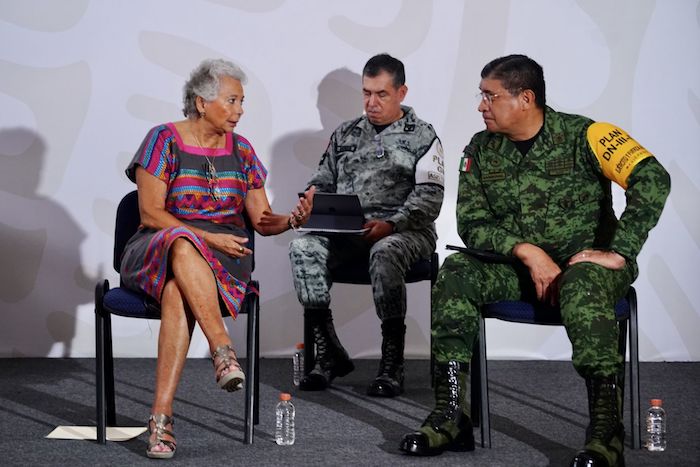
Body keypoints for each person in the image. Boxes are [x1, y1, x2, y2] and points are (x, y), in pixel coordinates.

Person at [399, 54, 670, 466]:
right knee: (455, 273)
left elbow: (653, 178)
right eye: (481, 95)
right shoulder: (480, 148)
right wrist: (528, 252)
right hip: (516, 270)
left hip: (587, 271)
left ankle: (605, 429)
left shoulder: (589, 135)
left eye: (490, 96)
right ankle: (452, 412)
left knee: (581, 281)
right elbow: (472, 223)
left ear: (525, 98)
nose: (480, 105)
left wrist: (620, 251)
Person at [120, 58, 314, 459]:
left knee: (179, 289)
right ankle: (223, 350)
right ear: (201, 102)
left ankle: (160, 420)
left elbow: (261, 220)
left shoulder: (241, 150)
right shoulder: (163, 140)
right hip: (157, 246)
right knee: (181, 242)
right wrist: (208, 237)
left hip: (224, 257)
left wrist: (293, 219)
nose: (240, 110)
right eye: (232, 100)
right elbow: (151, 214)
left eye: (242, 102)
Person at [289, 53, 444, 397]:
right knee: (303, 246)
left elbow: (430, 198)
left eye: (381, 94)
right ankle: (328, 352)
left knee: (385, 252)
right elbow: (322, 179)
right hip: (348, 231)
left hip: (405, 232)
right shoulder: (345, 133)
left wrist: (391, 224)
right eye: (366, 93)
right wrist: (311, 199)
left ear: (402, 92)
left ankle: (392, 364)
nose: (371, 103)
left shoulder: (423, 136)